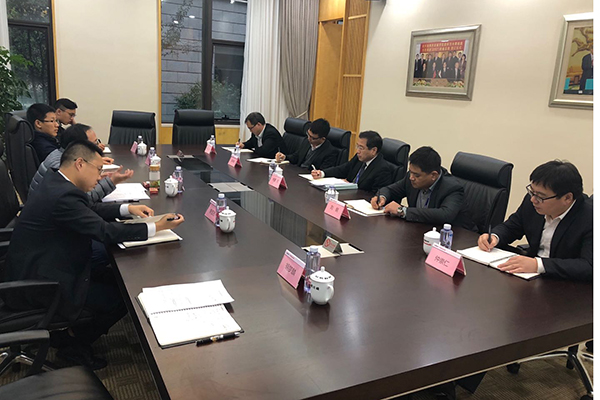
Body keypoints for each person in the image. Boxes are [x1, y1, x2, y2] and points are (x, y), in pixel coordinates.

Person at [6, 140, 185, 369]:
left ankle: (67, 334)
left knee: (117, 279)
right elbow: (105, 231)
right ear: (80, 164)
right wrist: (156, 227)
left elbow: (87, 210)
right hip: (43, 284)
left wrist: (127, 208)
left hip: (38, 265)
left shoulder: (56, 181)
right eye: (98, 169)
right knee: (123, 294)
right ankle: (74, 344)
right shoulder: (64, 196)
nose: (100, 177)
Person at [477, 160, 592, 281]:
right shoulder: (532, 202)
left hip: (567, 284)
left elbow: (589, 266)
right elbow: (512, 226)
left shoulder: (590, 218)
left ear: (567, 198)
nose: (533, 199)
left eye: (540, 196)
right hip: (531, 278)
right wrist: (495, 237)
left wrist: (539, 265)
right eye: (532, 192)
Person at [371, 146, 475, 230]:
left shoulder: (452, 188)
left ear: (433, 175)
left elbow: (445, 215)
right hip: (421, 231)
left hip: (457, 239)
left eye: (416, 175)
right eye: (411, 172)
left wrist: (402, 211)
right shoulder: (410, 178)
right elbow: (390, 190)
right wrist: (382, 197)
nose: (411, 177)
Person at [30, 123, 133, 202]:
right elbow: (85, 198)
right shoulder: (61, 166)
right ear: (79, 146)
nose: (98, 146)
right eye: (94, 143)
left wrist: (96, 178)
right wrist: (112, 181)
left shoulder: (62, 155)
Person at [311, 130, 393, 194]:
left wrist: (350, 186)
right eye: (357, 146)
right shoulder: (359, 158)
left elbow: (375, 195)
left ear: (373, 150)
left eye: (361, 148)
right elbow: (343, 169)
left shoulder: (382, 169)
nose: (358, 151)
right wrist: (322, 173)